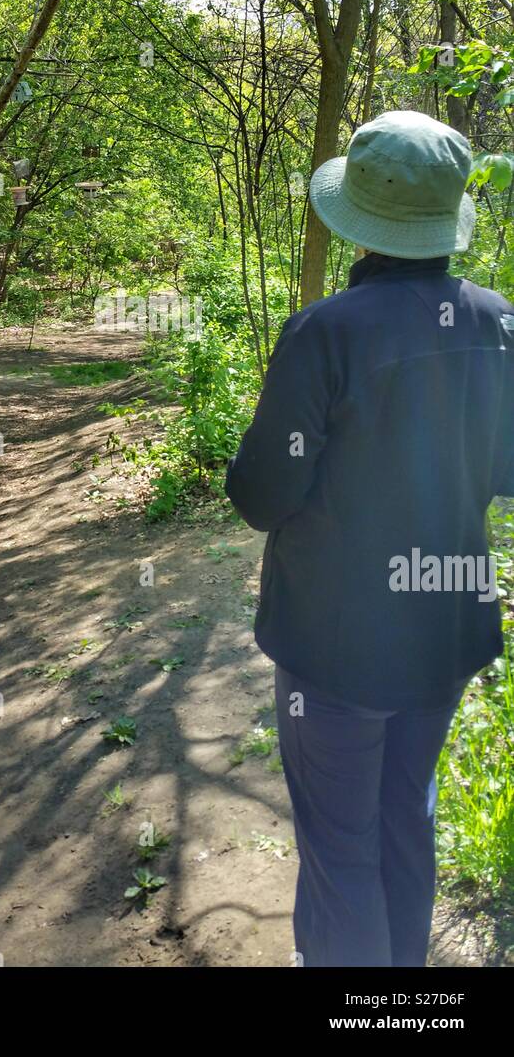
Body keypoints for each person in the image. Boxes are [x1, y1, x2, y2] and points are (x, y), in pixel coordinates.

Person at [225, 110, 514, 967]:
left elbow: (261, 495)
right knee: (404, 820)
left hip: (334, 646)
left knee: (339, 848)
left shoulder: (326, 332)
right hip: (444, 631)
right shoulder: (498, 323)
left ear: (355, 215)